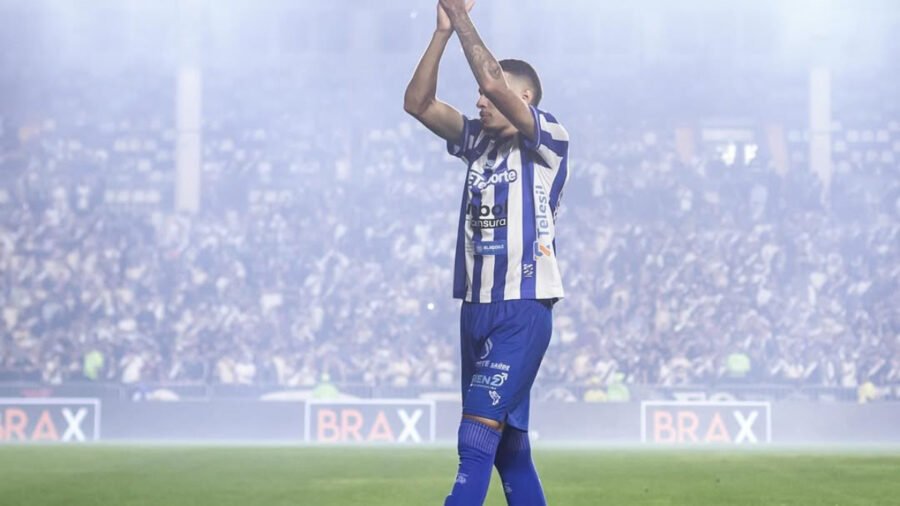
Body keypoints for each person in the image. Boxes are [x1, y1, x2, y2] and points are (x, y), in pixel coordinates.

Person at [404, 2, 570, 504]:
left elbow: (494, 83)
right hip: (475, 308)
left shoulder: (549, 139)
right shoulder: (476, 142)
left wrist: (460, 14)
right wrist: (441, 33)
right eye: (477, 95)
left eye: (487, 95)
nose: (479, 100)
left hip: (523, 305)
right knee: (509, 449)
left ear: (525, 98)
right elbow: (417, 103)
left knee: (475, 439)